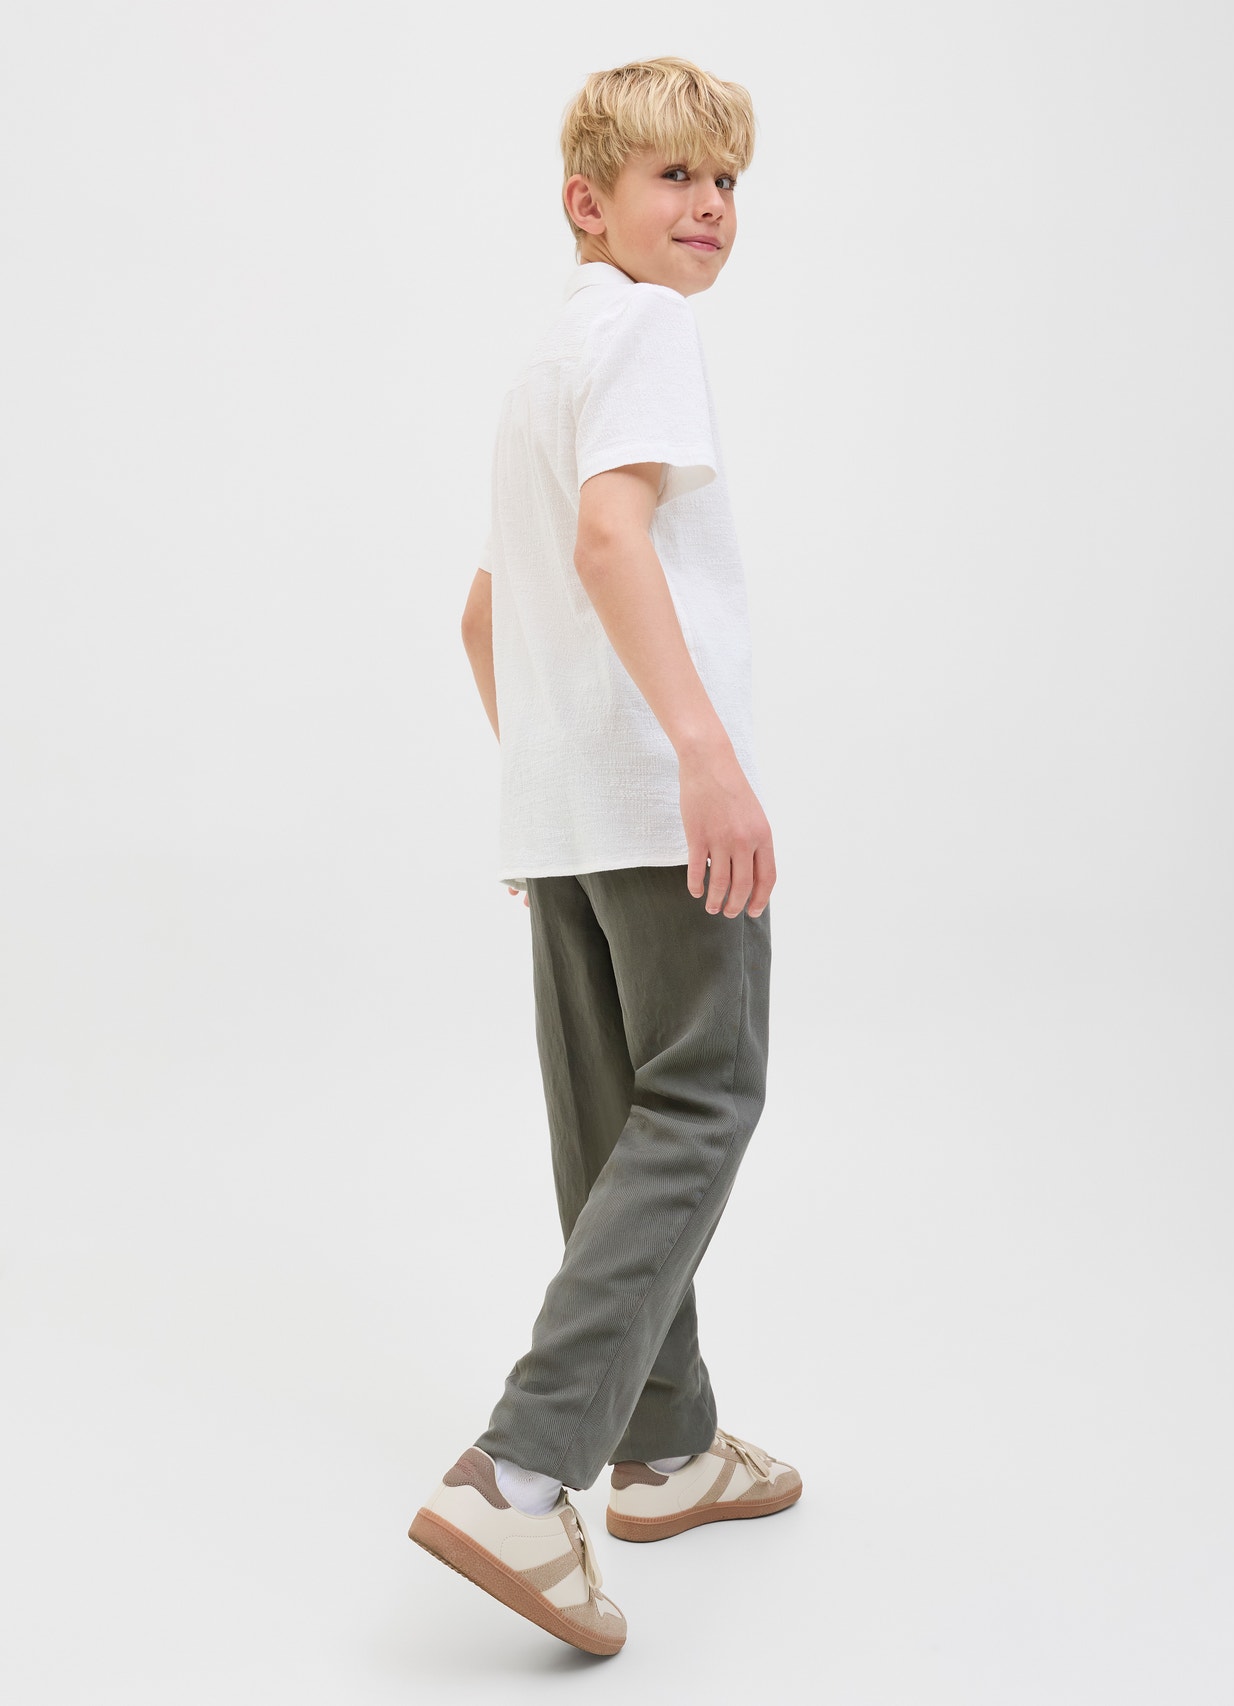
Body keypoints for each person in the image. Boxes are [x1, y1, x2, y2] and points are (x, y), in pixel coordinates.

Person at [407, 56, 801, 1659]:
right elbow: (606, 539)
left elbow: (483, 614)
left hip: (565, 814)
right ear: (590, 203)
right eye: (673, 179)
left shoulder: (542, 363)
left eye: (727, 182)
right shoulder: (647, 331)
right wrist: (705, 756)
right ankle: (519, 1472)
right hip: (649, 801)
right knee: (704, 1095)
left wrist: (539, 789)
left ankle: (666, 1442)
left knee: (612, 1128)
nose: (709, 207)